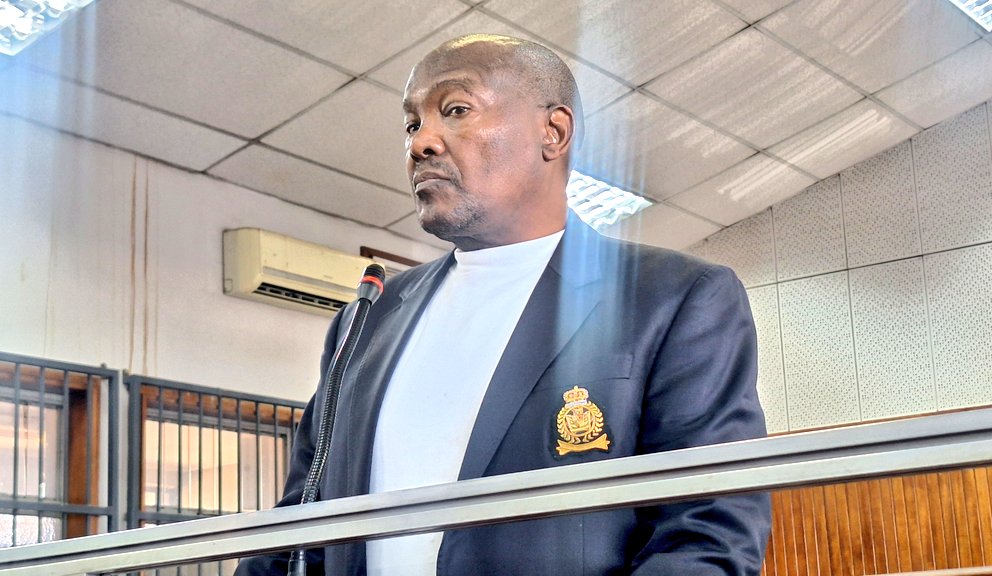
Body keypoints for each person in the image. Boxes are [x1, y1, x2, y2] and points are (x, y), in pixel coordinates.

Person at [236, 33, 770, 575]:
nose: (421, 143)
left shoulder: (673, 298)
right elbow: (299, 527)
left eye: (456, 110)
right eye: (412, 124)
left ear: (552, 132)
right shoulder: (368, 319)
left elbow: (707, 531)